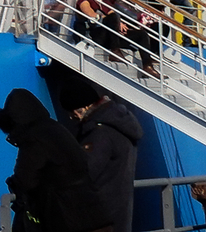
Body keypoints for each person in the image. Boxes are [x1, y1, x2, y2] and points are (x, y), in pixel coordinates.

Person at [0, 88, 114, 232]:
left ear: (14, 120)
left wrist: (15, 184)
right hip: (95, 212)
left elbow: (26, 179)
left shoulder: (33, 138)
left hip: (66, 216)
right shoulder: (57, 128)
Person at [59, 82, 143, 232]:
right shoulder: (119, 125)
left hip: (98, 218)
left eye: (72, 112)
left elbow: (85, 172)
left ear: (83, 107)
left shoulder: (99, 133)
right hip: (117, 214)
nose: (71, 117)